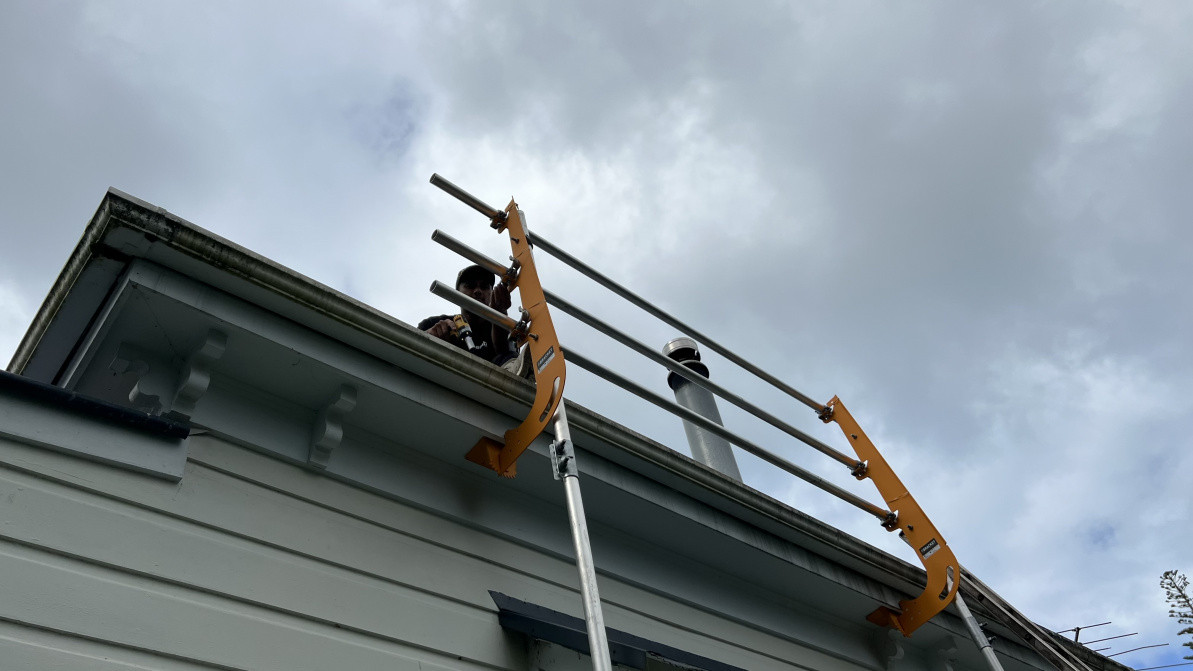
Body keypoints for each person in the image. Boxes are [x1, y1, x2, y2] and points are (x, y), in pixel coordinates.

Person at [419, 265, 517, 366]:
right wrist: (430, 337)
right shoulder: (433, 323)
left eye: (484, 287)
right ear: (457, 293)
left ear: (492, 293)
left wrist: (499, 316)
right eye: (470, 286)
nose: (478, 291)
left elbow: (505, 354)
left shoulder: (504, 330)